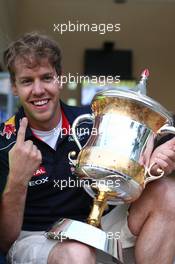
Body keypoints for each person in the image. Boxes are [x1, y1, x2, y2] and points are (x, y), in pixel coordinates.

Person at [0, 32, 175, 264]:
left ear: (60, 79)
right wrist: (17, 180)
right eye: (26, 81)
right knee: (77, 253)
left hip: (97, 227)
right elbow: (4, 240)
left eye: (46, 78)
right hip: (36, 238)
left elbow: (131, 165)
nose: (38, 90)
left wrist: (156, 157)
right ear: (14, 87)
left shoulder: (92, 119)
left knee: (169, 194)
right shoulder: (4, 141)